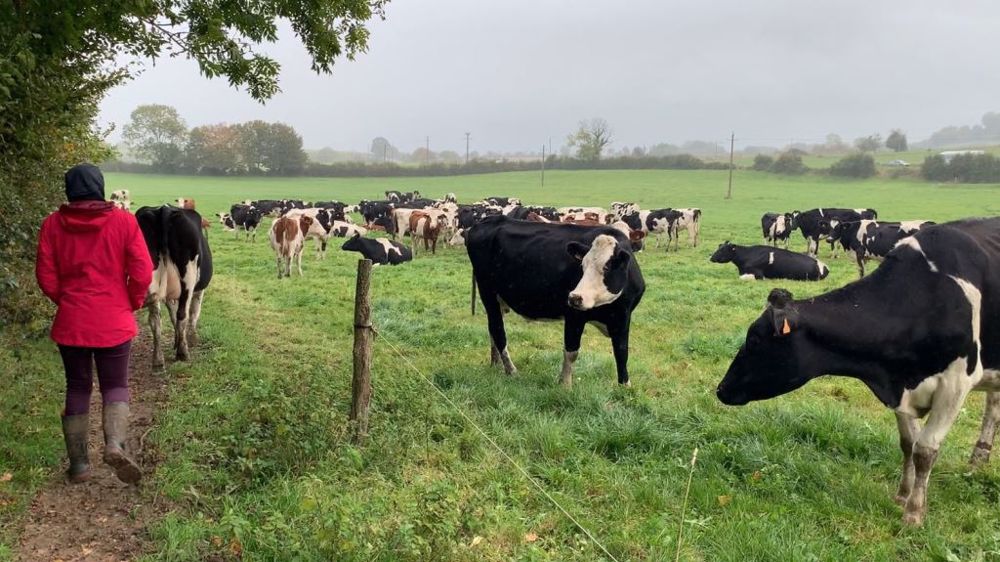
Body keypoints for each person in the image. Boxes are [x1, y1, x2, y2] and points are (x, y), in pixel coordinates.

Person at [35, 163, 153, 484]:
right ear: (100, 187)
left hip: (72, 322)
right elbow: (143, 272)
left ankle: (79, 466)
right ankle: (114, 444)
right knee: (115, 385)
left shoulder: (52, 225)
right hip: (114, 321)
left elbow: (45, 275)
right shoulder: (124, 222)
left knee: (77, 387)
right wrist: (130, 302)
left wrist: (68, 301)